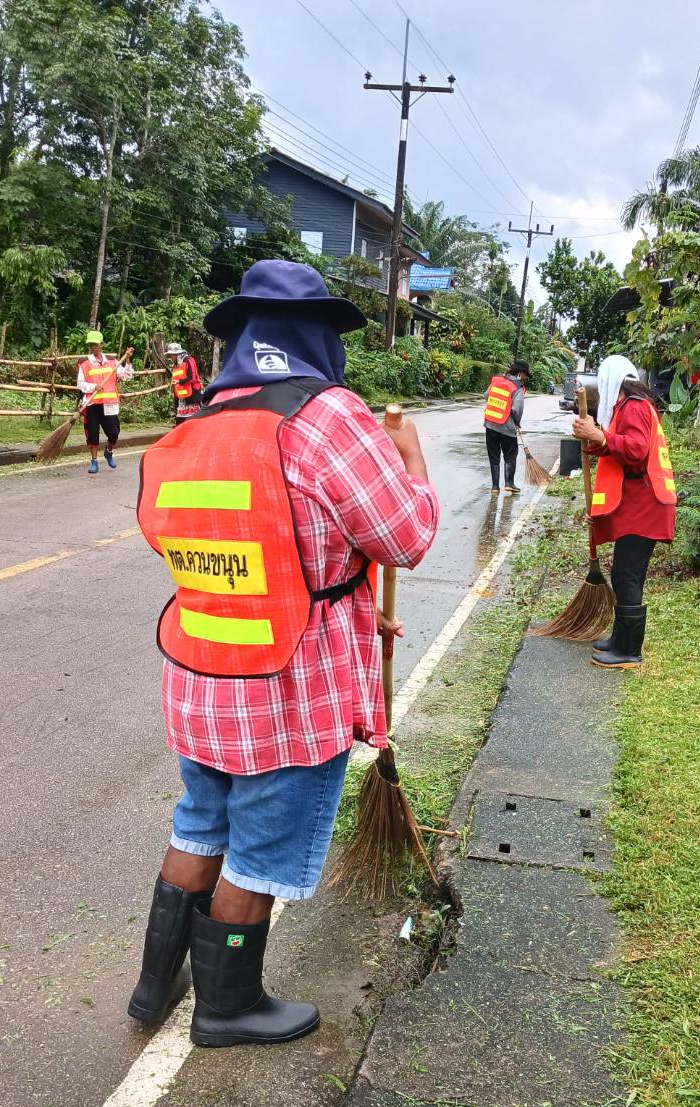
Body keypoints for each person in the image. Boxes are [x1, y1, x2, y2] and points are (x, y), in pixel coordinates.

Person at [131, 260, 439, 1046]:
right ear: (317, 338)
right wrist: (410, 456)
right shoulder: (328, 415)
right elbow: (405, 534)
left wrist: (346, 601)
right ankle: (228, 1005)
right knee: (261, 849)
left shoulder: (198, 418)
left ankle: (154, 984)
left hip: (202, 670)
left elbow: (255, 547)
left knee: (201, 822)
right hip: (289, 688)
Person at [572, 354, 677, 670]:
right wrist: (596, 438)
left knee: (628, 574)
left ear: (609, 382)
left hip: (646, 505)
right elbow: (619, 453)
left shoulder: (634, 406)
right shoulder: (632, 406)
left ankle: (629, 651)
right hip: (640, 503)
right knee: (623, 572)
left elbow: (635, 450)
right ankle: (620, 641)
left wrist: (599, 435)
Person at [77, 330, 133, 474]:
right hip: (92, 404)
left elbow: (126, 376)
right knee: (93, 435)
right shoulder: (85, 364)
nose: (93, 348)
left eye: (95, 345)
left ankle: (108, 452)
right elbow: (80, 384)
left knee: (114, 433)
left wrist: (127, 360)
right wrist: (93, 387)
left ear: (101, 345)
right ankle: (94, 461)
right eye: (91, 345)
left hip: (109, 404)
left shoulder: (112, 362)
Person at [483, 359, 528, 495]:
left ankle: (495, 487)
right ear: (520, 373)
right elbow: (517, 409)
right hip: (506, 428)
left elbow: (486, 396)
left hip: (490, 424)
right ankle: (509, 483)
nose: (525, 378)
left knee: (494, 456)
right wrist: (517, 422)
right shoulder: (518, 387)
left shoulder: (497, 380)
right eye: (525, 375)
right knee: (510, 455)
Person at [166, 341, 203, 421]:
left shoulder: (188, 361)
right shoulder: (176, 365)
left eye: (172, 355)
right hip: (182, 397)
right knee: (181, 420)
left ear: (177, 355)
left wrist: (179, 382)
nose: (171, 357)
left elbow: (192, 378)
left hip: (192, 396)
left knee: (193, 420)